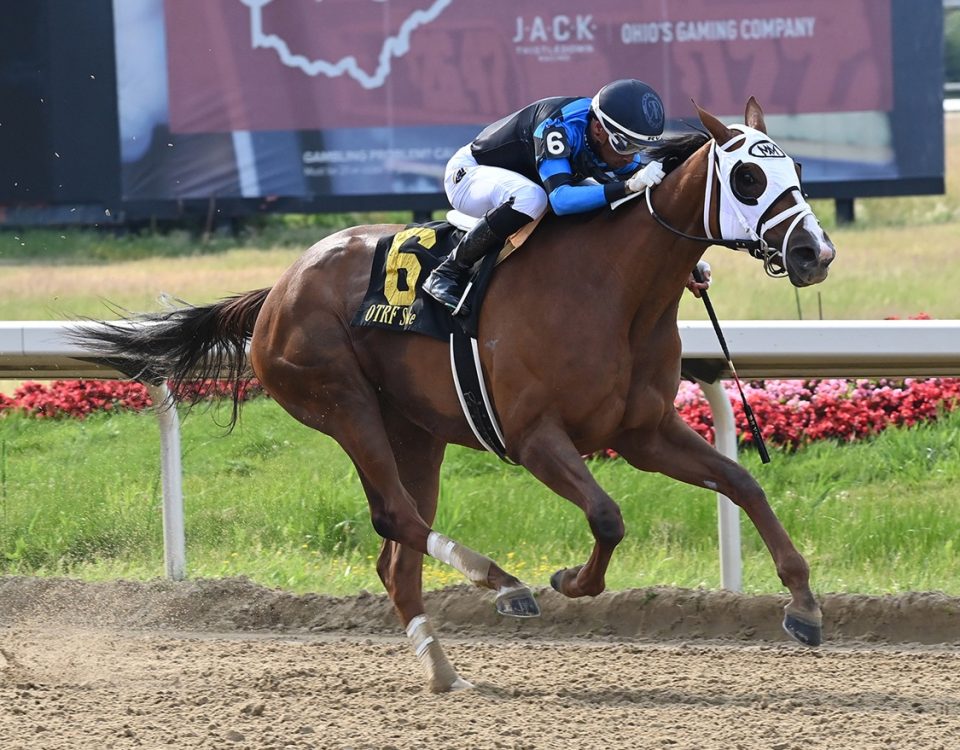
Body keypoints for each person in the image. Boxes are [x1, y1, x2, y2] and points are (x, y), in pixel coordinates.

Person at [422, 78, 671, 315]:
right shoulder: (558, 127)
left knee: (601, 199)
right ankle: (447, 272)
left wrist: (682, 262)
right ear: (598, 129)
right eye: (625, 146)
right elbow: (560, 200)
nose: (630, 158)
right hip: (468, 176)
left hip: (526, 179)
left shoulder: (608, 138)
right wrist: (626, 186)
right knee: (533, 198)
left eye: (639, 148)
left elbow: (639, 196)